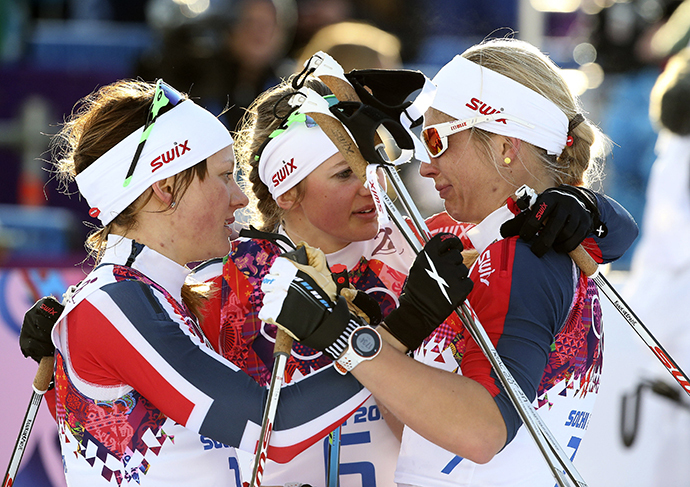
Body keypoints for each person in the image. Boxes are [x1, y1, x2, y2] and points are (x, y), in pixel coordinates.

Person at [20, 77, 468, 487]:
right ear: (165, 185)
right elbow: (272, 429)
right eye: (221, 176)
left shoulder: (157, 297)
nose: (240, 198)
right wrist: (404, 327)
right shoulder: (114, 305)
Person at [257, 38, 639, 486]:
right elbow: (417, 431)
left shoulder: (527, 250)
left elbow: (483, 431)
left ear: (504, 146)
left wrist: (348, 341)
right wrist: (399, 327)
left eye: (438, 141)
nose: (425, 167)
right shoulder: (472, 240)